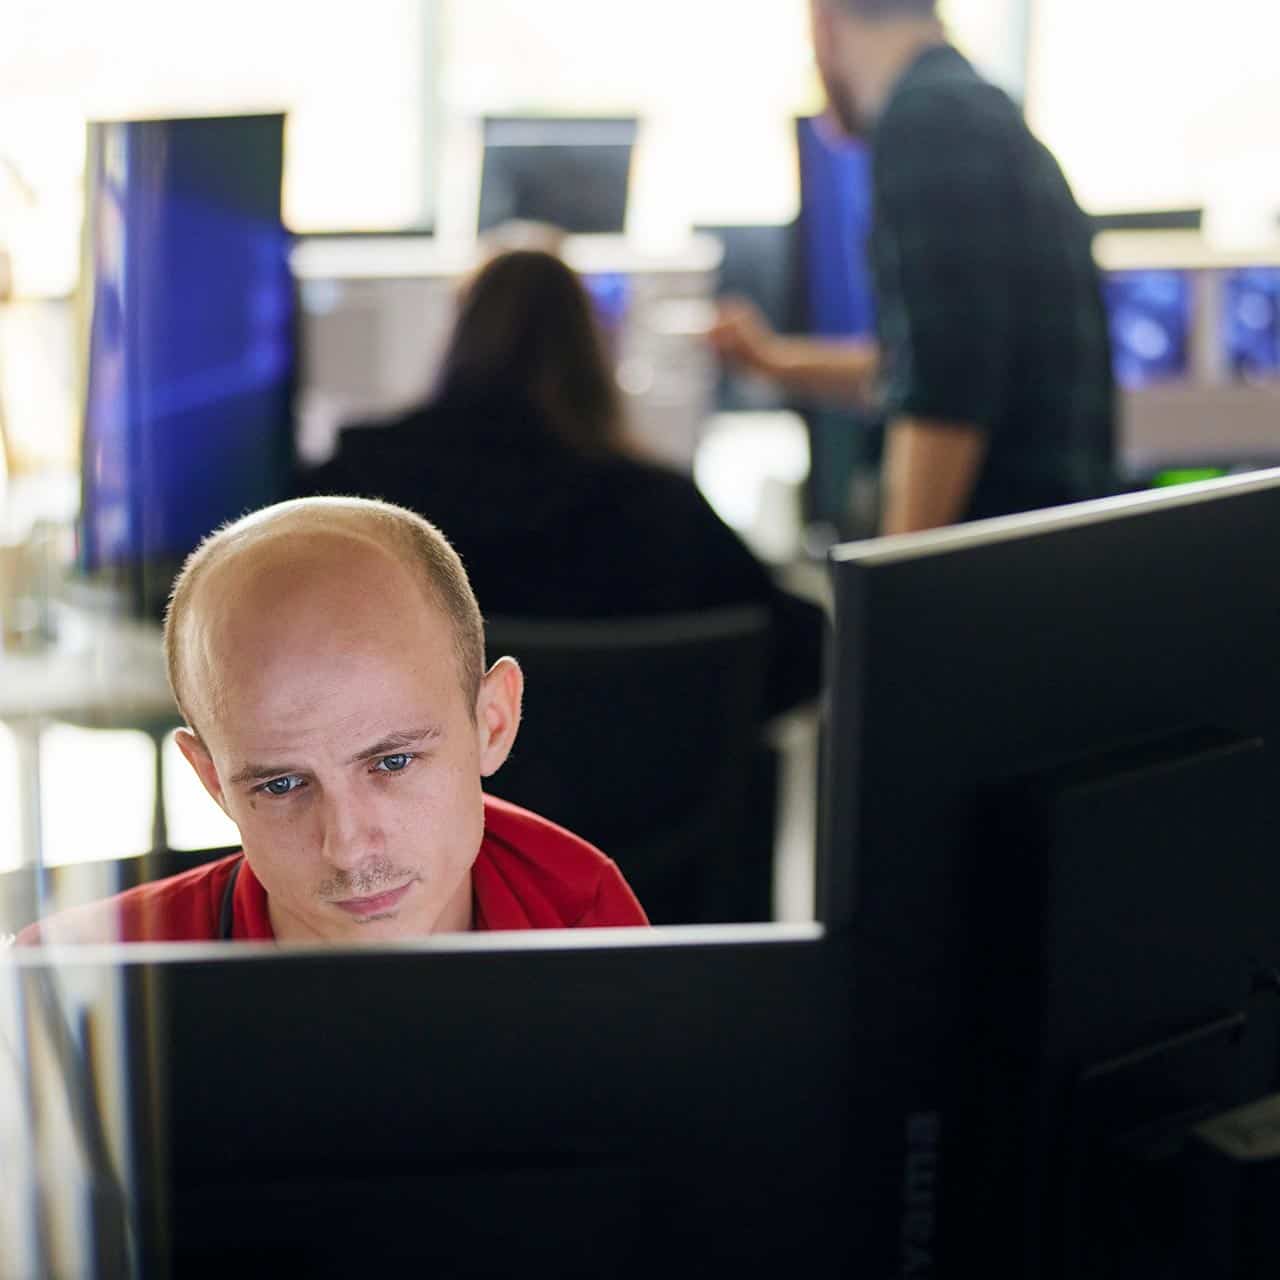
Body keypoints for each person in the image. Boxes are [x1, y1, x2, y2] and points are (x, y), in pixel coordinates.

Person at [16, 497, 649, 944]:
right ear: (212, 782)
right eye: (281, 785)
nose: (346, 846)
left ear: (493, 723)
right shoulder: (87, 995)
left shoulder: (580, 917)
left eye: (392, 763)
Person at [299, 247, 825, 719]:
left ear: (458, 336)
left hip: (415, 821)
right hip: (633, 823)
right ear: (596, 352)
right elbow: (802, 658)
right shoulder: (663, 512)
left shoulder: (354, 496)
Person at [709, 0, 1116, 534]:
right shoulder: (973, 106)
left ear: (823, 22)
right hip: (1047, 550)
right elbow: (916, 362)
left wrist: (891, 595)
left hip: (998, 567)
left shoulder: (926, 118)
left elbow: (944, 390)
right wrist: (773, 362)